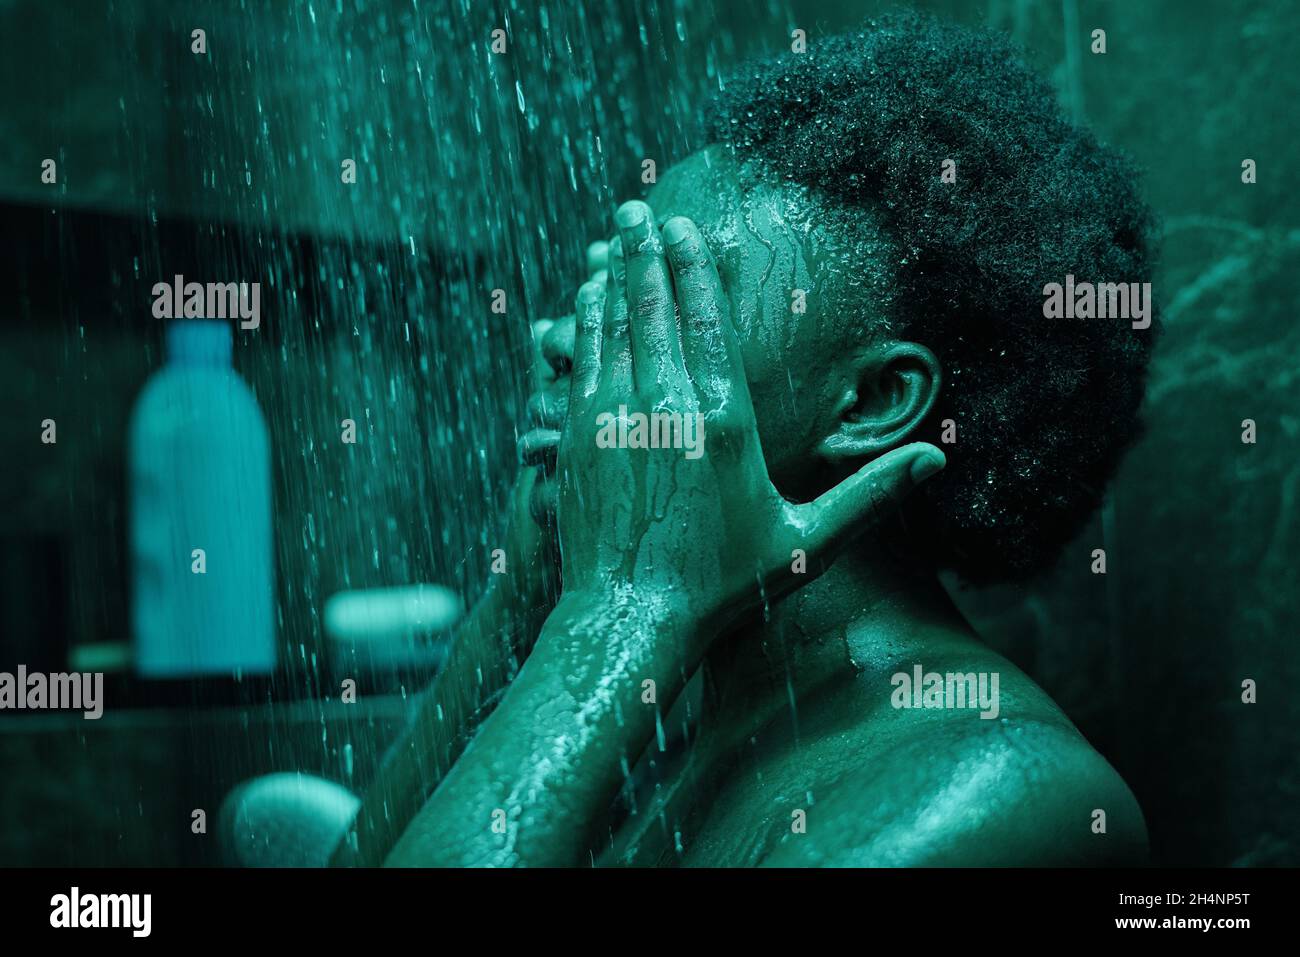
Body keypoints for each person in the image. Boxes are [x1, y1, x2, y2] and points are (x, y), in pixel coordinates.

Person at [335, 11, 1156, 867]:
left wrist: (625, 602)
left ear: (869, 402)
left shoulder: (997, 789)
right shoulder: (686, 732)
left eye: (662, 299)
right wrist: (526, 603)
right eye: (609, 286)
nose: (567, 335)